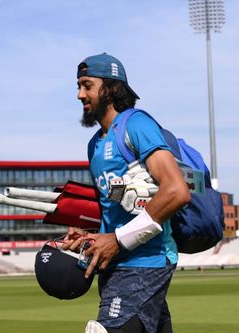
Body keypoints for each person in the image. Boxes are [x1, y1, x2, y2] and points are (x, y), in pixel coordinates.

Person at [63, 53, 191, 333]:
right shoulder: (94, 145)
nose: (79, 94)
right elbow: (114, 210)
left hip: (145, 262)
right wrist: (88, 236)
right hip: (114, 266)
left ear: (111, 89)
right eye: (78, 86)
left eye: (86, 85)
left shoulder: (136, 125)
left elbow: (176, 191)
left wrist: (118, 241)